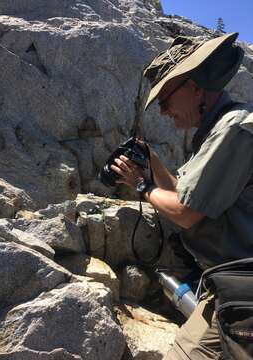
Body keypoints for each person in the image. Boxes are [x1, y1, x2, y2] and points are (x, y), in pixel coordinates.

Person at [110, 32, 253, 359]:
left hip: (244, 291)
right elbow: (184, 194)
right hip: (226, 288)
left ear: (192, 87)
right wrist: (153, 162)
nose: (163, 111)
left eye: (165, 100)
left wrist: (142, 187)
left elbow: (186, 212)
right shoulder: (217, 131)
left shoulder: (234, 128)